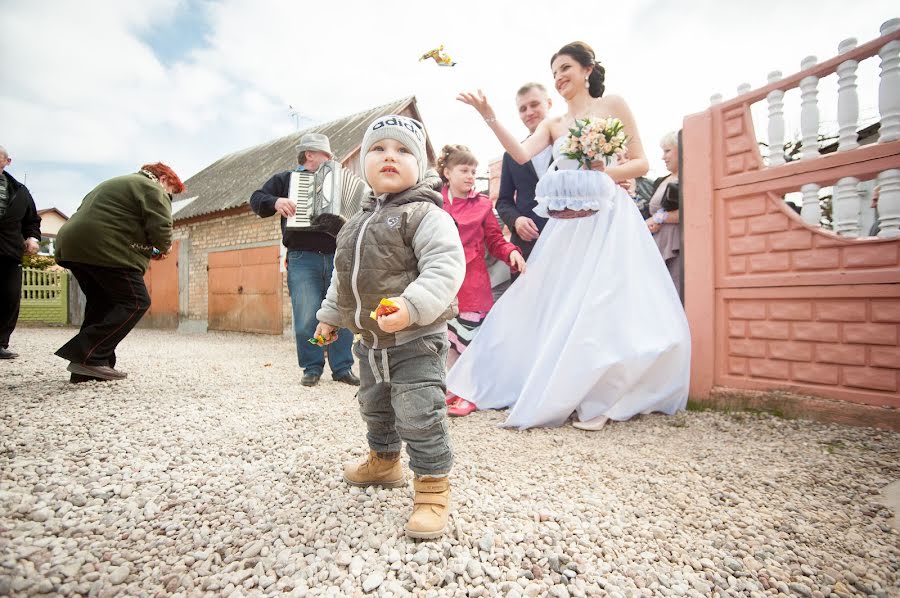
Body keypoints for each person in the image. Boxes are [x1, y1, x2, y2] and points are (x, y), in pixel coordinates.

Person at [453, 41, 691, 431]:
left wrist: (599, 174)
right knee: (561, 300)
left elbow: (641, 162)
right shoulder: (554, 124)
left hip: (609, 217)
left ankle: (604, 397)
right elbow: (521, 154)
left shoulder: (612, 104)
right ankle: (569, 388)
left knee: (605, 299)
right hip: (568, 224)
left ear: (587, 69)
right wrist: (490, 117)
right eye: (554, 72)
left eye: (565, 68)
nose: (560, 77)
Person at [314, 114, 465, 540]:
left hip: (417, 339)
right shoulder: (356, 224)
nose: (389, 157)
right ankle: (384, 462)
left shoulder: (425, 215)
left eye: (402, 151)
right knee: (375, 406)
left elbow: (445, 268)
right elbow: (342, 279)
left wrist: (412, 305)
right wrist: (329, 317)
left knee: (419, 413)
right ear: (363, 164)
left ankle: (433, 487)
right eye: (378, 149)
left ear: (421, 166)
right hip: (370, 342)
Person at [54, 163, 182, 381]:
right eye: (172, 191)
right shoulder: (151, 187)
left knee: (102, 305)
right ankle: (87, 355)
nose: (170, 196)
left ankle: (89, 369)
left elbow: (116, 222)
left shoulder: (115, 184)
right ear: (163, 179)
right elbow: (161, 227)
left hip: (73, 246)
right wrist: (165, 247)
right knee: (135, 302)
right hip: (103, 249)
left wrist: (148, 249)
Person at [250, 133, 358, 388]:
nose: (331, 160)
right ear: (310, 154)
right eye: (326, 155)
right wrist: (275, 201)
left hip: (337, 256)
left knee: (342, 312)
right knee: (307, 315)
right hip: (302, 256)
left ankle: (343, 368)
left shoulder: (339, 182)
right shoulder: (286, 180)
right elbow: (256, 199)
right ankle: (312, 367)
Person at [436, 144, 525, 417]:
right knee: (447, 339)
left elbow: (495, 240)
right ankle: (455, 387)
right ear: (447, 172)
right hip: (440, 279)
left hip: (472, 282)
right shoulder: (433, 201)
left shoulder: (483, 204)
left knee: (470, 340)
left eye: (474, 171)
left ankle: (470, 393)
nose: (471, 175)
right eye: (464, 170)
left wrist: (511, 251)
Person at [495, 83, 554, 262]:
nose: (529, 112)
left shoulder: (571, 146)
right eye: (523, 109)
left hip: (571, 241)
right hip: (529, 247)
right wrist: (517, 220)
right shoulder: (511, 155)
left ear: (549, 104)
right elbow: (503, 202)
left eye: (534, 105)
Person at [0, 146, 41, 360]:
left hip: (9, 251)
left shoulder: (20, 190)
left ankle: (0, 343)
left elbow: (32, 220)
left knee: (9, 297)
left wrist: (32, 238)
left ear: (8, 161)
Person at [646, 132, 683, 296]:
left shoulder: (689, 176)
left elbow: (692, 211)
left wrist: (659, 218)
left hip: (675, 244)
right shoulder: (661, 180)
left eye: (667, 151)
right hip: (657, 242)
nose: (663, 157)